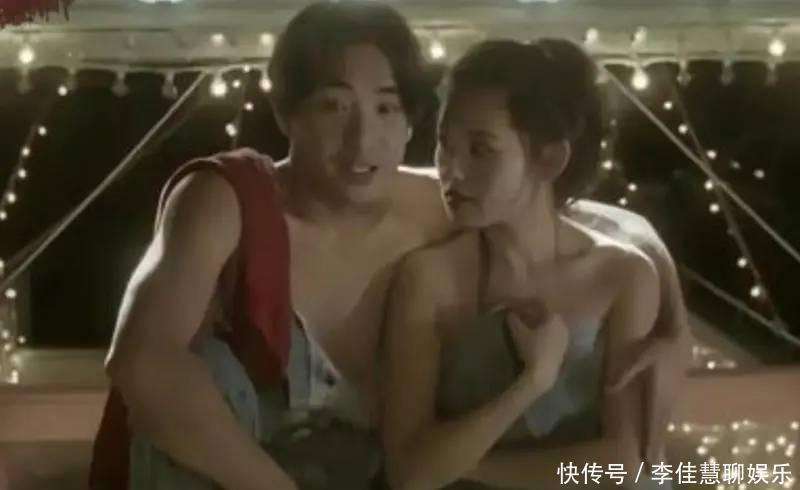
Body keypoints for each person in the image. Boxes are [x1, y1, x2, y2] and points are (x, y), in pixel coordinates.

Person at [90, 2, 686, 488]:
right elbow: (143, 361)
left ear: (408, 120)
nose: (363, 138)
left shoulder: (437, 203)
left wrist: (672, 317)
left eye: (385, 107)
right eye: (333, 106)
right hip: (241, 471)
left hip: (381, 471)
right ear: (286, 112)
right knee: (208, 372)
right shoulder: (228, 200)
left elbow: (566, 211)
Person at [382, 39, 685, 490]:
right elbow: (408, 473)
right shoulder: (430, 278)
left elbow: (623, 462)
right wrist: (532, 382)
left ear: (550, 159)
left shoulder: (621, 274)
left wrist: (465, 466)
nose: (452, 171)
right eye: (445, 145)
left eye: (480, 149)